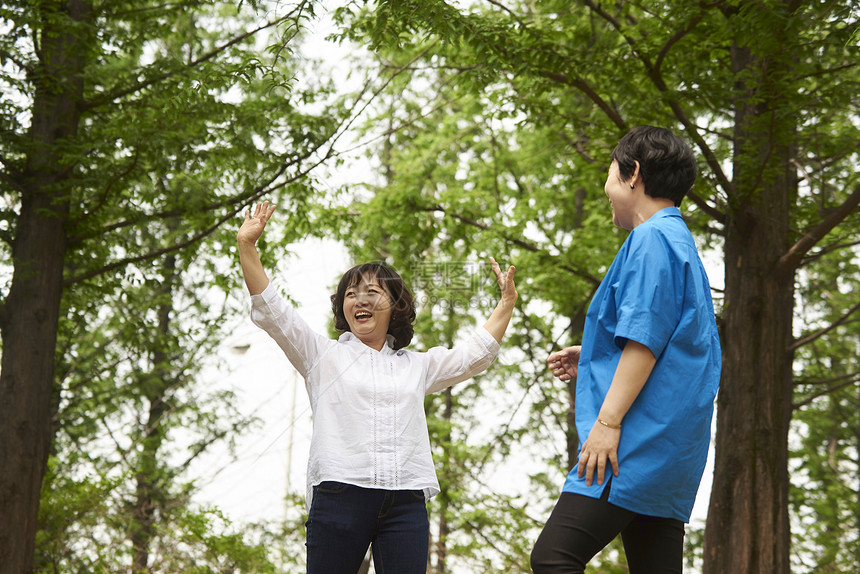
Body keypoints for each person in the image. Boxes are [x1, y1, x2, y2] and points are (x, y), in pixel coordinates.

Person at [236, 201, 517, 574]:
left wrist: (507, 302)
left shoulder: (416, 366)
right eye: (351, 294)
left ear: (395, 306)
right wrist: (247, 246)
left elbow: (473, 355)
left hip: (405, 501)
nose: (360, 299)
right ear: (343, 308)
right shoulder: (322, 355)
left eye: (372, 291)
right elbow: (273, 312)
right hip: (340, 493)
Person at [530, 126, 721, 574]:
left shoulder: (651, 238)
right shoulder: (681, 242)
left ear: (633, 173)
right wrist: (597, 354)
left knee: (554, 557)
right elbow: (668, 340)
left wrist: (607, 423)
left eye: (611, 173)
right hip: (672, 453)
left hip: (632, 444)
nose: (607, 188)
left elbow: (645, 342)